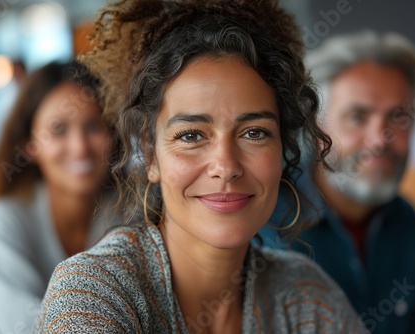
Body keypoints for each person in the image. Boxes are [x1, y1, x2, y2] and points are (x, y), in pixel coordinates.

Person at [33, 1, 368, 333]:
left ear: (283, 149)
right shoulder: (93, 293)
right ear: (150, 155)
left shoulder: (307, 297)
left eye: (254, 133)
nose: (225, 166)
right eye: (191, 135)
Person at [259, 31, 415, 333]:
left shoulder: (405, 220)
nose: (380, 139)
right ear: (315, 127)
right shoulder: (266, 221)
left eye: (399, 116)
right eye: (358, 117)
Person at [0, 61, 118, 333]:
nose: (79, 147)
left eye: (93, 126)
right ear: (30, 145)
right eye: (59, 130)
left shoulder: (124, 211)